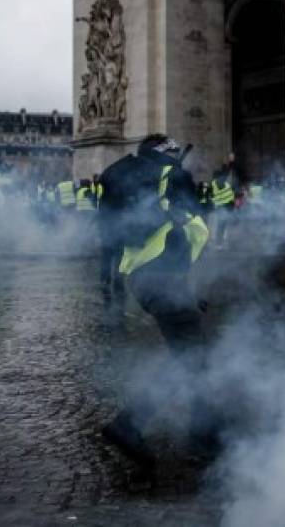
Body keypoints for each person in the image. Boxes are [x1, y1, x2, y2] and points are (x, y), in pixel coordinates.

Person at [98, 134, 214, 466]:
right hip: (163, 282)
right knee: (191, 358)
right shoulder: (173, 178)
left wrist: (188, 294)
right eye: (177, 152)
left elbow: (160, 240)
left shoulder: (136, 178)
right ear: (169, 153)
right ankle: (130, 424)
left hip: (147, 279)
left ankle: (205, 433)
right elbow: (193, 228)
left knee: (194, 356)